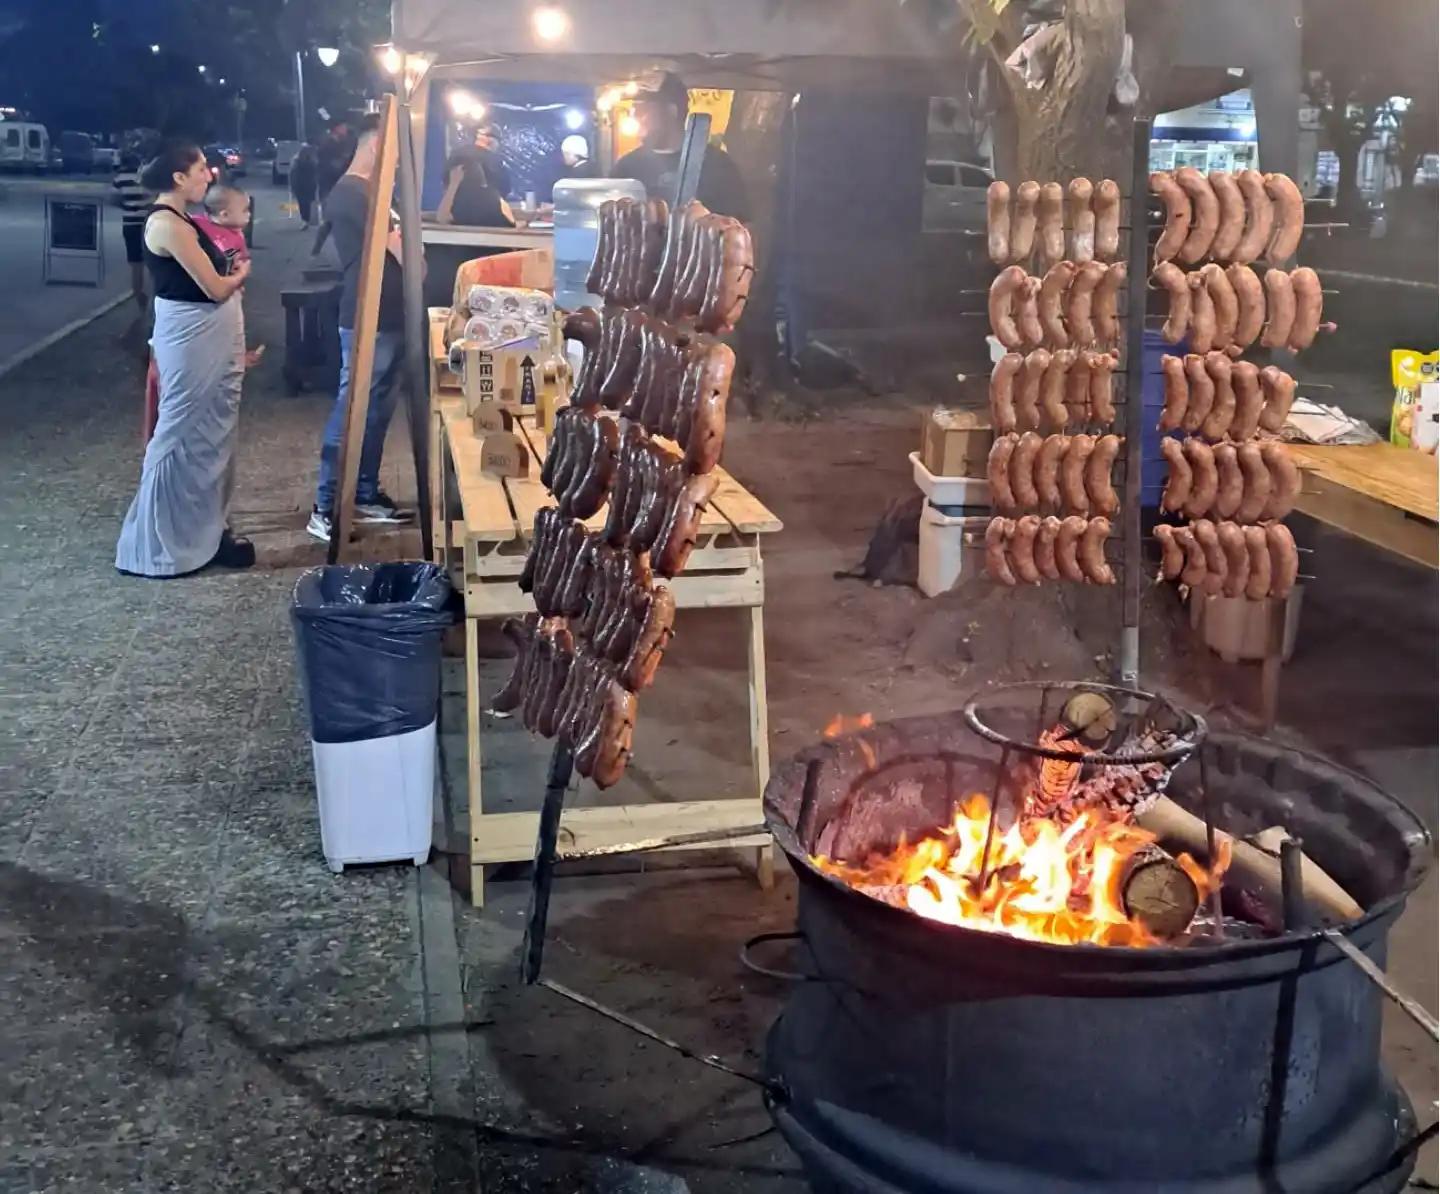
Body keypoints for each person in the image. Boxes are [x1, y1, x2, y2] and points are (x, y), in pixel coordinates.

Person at [115, 140, 253, 577]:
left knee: (212, 433)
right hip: (190, 337)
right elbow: (214, 287)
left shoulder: (183, 220)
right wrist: (241, 274)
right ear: (178, 177)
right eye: (200, 169)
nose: (209, 175)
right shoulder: (167, 224)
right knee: (179, 433)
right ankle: (159, 543)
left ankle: (206, 532)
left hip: (210, 335)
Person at [307, 114, 415, 541]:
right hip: (366, 315)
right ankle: (327, 505)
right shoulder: (353, 193)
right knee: (352, 408)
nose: (400, 162)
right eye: (396, 153)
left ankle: (364, 492)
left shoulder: (376, 191)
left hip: (390, 312)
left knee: (377, 411)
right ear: (376, 146)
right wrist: (412, 251)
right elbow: (404, 251)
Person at [612, 72, 749, 220]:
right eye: (633, 109)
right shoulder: (625, 168)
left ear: (671, 111)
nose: (634, 115)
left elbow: (743, 225)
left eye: (642, 108)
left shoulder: (718, 166)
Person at [113, 152, 154, 318]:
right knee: (154, 264)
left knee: (136, 267)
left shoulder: (119, 179)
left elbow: (113, 199)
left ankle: (139, 300)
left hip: (130, 225)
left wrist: (128, 205)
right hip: (148, 224)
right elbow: (155, 197)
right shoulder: (146, 177)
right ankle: (154, 301)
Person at [290, 144, 319, 226]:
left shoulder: (309, 161)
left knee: (305, 203)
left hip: (306, 185)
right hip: (303, 185)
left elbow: (293, 173)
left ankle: (306, 219)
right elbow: (293, 174)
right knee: (304, 203)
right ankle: (306, 219)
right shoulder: (299, 161)